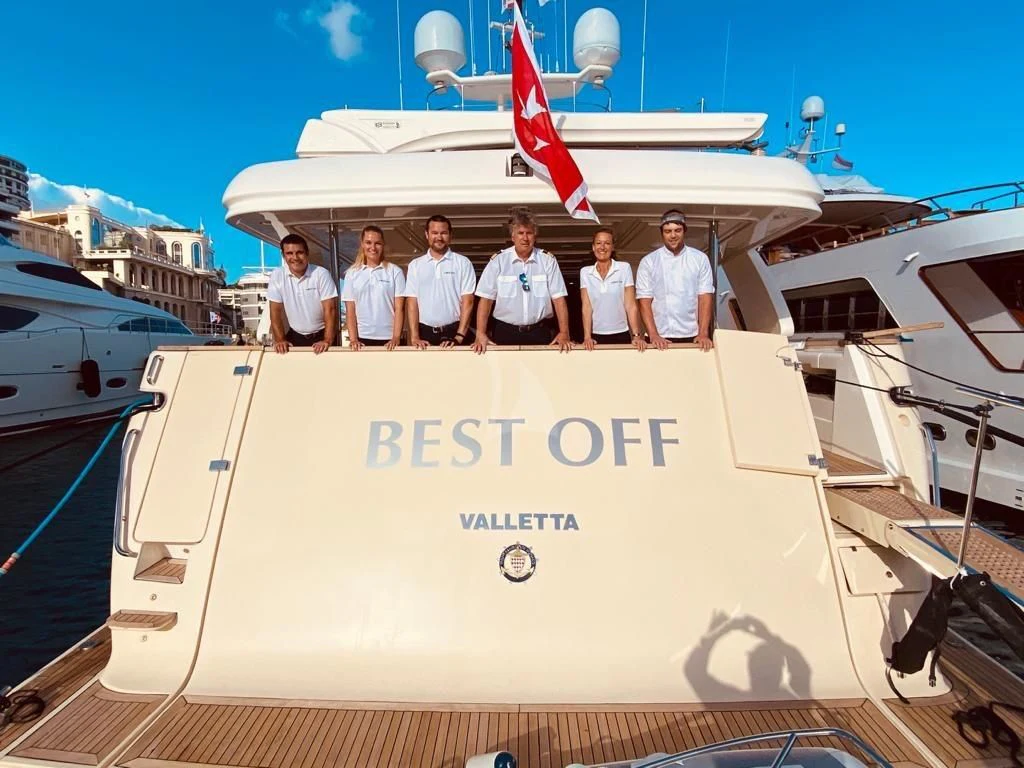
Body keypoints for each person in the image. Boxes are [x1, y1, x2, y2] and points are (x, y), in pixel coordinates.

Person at [472, 210, 572, 354]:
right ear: (512, 236)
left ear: (535, 236)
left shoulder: (547, 260)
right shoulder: (499, 261)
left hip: (539, 331)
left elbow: (559, 299)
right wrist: (480, 333)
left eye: (529, 233)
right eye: (520, 233)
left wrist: (564, 332)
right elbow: (486, 299)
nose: (525, 238)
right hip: (505, 332)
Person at [636, 209, 715, 351]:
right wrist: (653, 335)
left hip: (692, 335)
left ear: (684, 231)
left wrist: (703, 333)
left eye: (677, 230)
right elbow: (644, 301)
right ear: (662, 233)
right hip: (658, 336)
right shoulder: (648, 261)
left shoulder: (700, 259)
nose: (673, 235)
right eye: (668, 231)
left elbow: (705, 297)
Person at [402, 214, 476, 348]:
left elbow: (468, 301)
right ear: (427, 234)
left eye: (444, 233)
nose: (439, 237)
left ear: (450, 235)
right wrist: (414, 337)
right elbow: (412, 302)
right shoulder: (415, 265)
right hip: (424, 334)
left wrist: (459, 336)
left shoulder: (463, 263)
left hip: (454, 333)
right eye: (434, 233)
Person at [266, 233, 338, 355]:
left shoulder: (321, 274)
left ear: (307, 253)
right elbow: (275, 312)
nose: (295, 257)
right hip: (295, 337)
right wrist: (280, 340)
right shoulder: (277, 275)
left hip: (322, 335)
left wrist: (327, 340)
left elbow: (330, 310)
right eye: (289, 253)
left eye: (299, 252)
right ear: (283, 256)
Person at [580, 228, 646, 352]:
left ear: (612, 247)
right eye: (599, 243)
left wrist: (636, 336)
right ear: (593, 247)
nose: (602, 247)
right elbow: (586, 307)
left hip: (621, 334)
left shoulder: (624, 268)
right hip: (596, 336)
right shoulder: (585, 272)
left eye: (607, 243)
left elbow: (631, 305)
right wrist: (587, 337)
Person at [341, 225, 406, 350]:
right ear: (362, 244)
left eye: (378, 243)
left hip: (389, 340)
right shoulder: (352, 274)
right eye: (368, 243)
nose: (373, 247)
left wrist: (396, 337)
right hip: (362, 339)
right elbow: (350, 311)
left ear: (383, 245)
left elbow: (399, 309)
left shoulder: (395, 271)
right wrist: (354, 339)